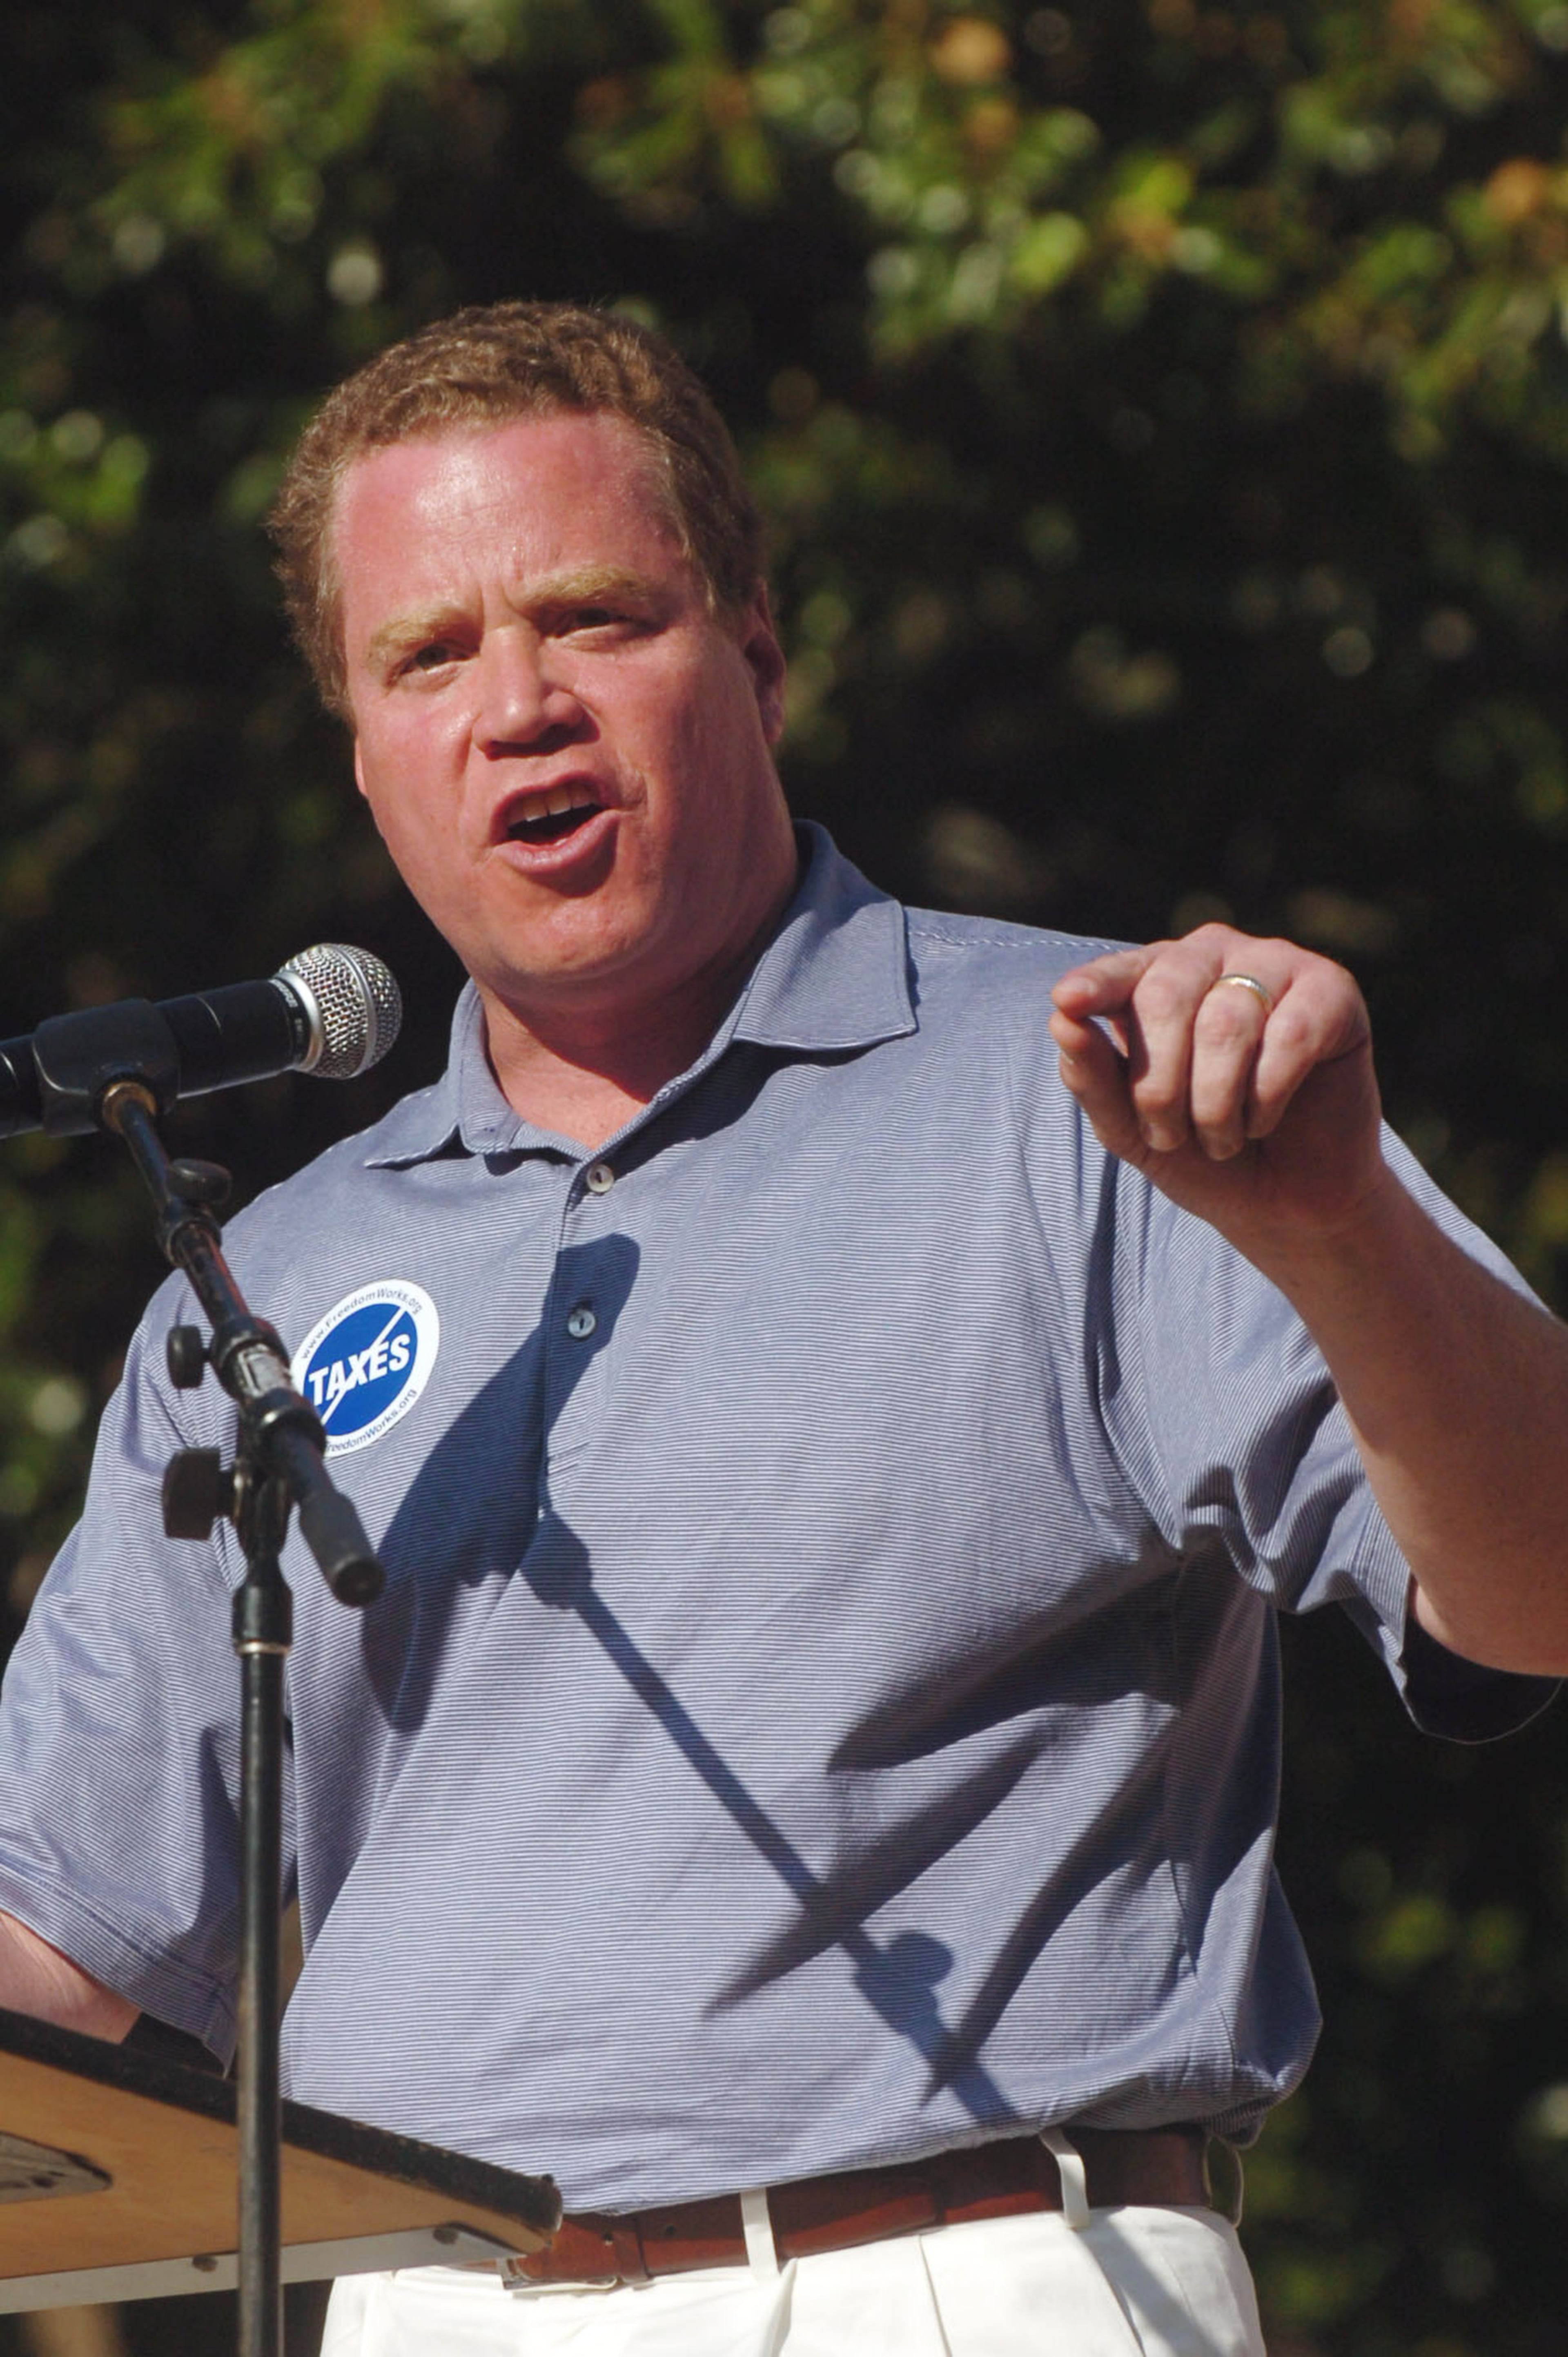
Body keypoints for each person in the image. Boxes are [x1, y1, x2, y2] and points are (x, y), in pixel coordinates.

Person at [0, 299, 1562, 2357]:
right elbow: (55, 1954)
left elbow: (1534, 1601)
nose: (519, 707)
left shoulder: (1100, 1076)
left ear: (756, 647)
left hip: (967, 2275)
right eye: (430, 657)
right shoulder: (268, 1271)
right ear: (363, 749)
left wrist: (1345, 1226)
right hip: (434, 2315)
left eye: (595, 619)